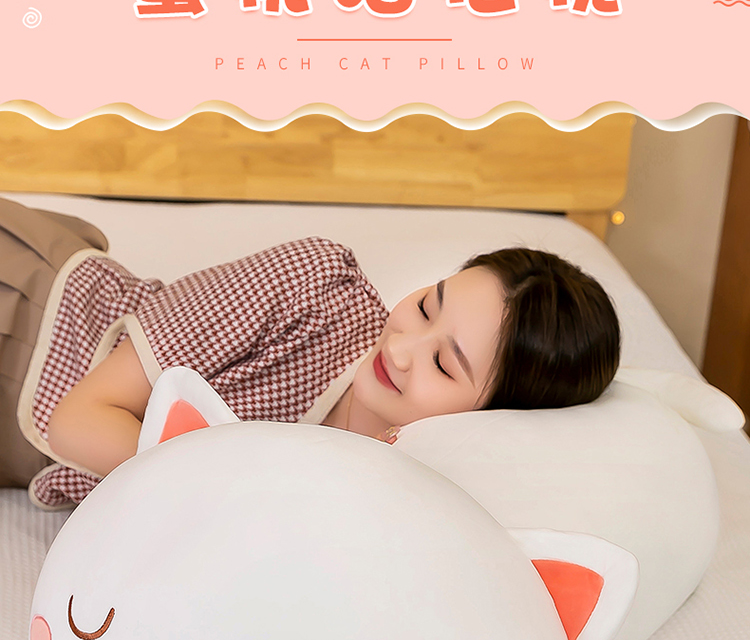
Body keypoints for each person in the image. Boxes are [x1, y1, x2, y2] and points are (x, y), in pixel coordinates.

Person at [0, 196, 620, 509]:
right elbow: (77, 420)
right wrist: (248, 501)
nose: (403, 348)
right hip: (33, 321)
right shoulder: (312, 285)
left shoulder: (399, 497)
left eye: (443, 364)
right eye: (427, 306)